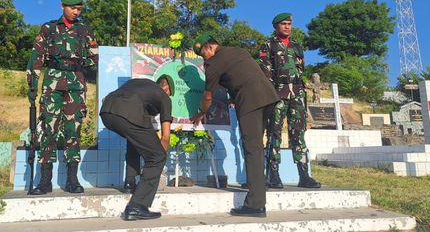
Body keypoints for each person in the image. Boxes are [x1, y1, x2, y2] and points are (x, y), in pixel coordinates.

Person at [191, 35, 280, 218]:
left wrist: (201, 112)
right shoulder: (238, 50)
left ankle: (256, 205)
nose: (203, 59)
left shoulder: (213, 64)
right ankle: (258, 194)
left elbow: (208, 96)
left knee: (252, 149)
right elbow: (243, 77)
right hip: (268, 97)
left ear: (209, 48)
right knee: (256, 147)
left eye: (202, 54)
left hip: (250, 102)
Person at [26, 0, 98, 195]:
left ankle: (72, 180)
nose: (76, 12)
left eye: (79, 8)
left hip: (76, 81)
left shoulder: (85, 30)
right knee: (49, 127)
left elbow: (94, 56)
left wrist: (82, 63)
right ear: (62, 6)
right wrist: (32, 85)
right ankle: (45, 181)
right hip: (53, 81)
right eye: (72, 8)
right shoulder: (49, 28)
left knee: (73, 129)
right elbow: (36, 56)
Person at [258, 12, 321, 189]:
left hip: (298, 94)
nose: (287, 27)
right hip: (277, 93)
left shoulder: (297, 46)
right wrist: (270, 95)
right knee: (274, 133)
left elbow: (301, 70)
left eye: (289, 24)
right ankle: (273, 174)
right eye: (283, 24)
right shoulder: (268, 45)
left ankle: (304, 175)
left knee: (298, 134)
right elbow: (265, 74)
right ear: (276, 26)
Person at [99, 75, 174, 221]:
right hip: (128, 114)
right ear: (166, 88)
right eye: (169, 93)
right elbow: (165, 137)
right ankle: (137, 206)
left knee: (135, 141)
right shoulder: (164, 97)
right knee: (157, 156)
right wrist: (158, 163)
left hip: (107, 112)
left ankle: (130, 182)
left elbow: (104, 98)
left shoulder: (136, 83)